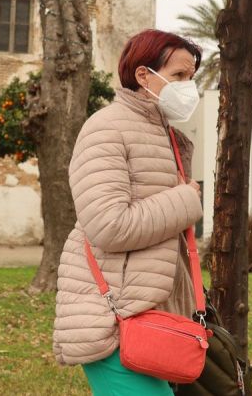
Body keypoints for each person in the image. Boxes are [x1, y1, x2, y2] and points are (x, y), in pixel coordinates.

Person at [53, 29, 205, 395]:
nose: (188, 87)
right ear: (143, 75)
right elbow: (109, 226)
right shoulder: (106, 128)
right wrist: (186, 200)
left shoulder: (166, 136)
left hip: (153, 322)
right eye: (178, 75)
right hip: (113, 321)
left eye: (191, 77)